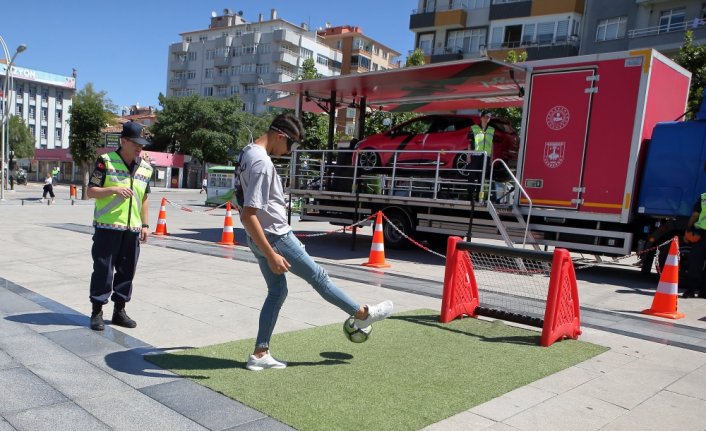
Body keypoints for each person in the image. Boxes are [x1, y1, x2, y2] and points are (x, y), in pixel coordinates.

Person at [236, 113, 393, 371]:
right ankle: (362, 313)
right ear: (279, 136)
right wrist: (272, 253)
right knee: (319, 277)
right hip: (274, 236)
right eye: (291, 145)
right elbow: (248, 213)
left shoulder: (247, 152)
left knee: (277, 291)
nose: (290, 152)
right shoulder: (262, 163)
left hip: (259, 236)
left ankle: (260, 353)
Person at [86, 121, 153, 331]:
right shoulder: (105, 162)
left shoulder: (146, 167)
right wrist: (113, 189)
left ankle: (119, 311)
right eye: (135, 143)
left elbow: (144, 198)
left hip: (132, 229)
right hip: (108, 226)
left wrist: (145, 224)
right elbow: (91, 191)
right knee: (103, 270)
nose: (139, 147)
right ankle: (97, 311)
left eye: (142, 143)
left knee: (127, 272)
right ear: (123, 141)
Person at [682, 192, 706, 298]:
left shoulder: (704, 196)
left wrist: (688, 229)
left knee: (695, 263)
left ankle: (690, 291)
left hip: (702, 234)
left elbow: (695, 215)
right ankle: (704, 292)